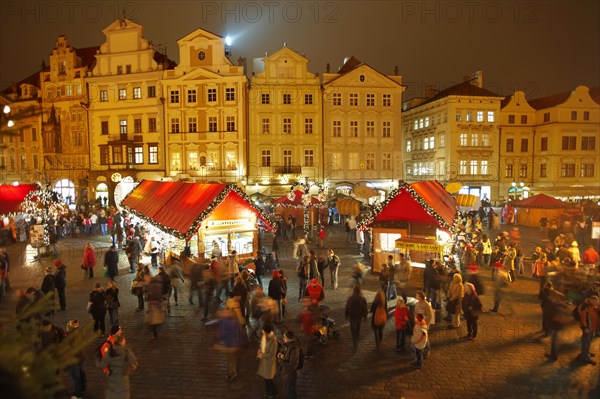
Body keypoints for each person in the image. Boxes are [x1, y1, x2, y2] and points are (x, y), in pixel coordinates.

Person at [214, 307, 241, 381]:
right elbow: (220, 326)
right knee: (229, 360)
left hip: (232, 345)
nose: (227, 313)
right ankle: (231, 373)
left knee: (231, 360)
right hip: (227, 344)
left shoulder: (234, 322)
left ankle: (233, 374)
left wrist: (236, 344)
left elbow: (237, 334)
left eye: (229, 312)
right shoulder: (226, 320)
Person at [65, 320, 86, 399]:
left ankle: (78, 394)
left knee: (75, 376)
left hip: (74, 359)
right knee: (81, 373)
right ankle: (83, 388)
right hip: (81, 357)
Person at [257, 323, 278, 399]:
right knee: (266, 379)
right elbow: (262, 346)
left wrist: (262, 355)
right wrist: (260, 350)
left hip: (269, 363)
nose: (262, 333)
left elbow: (271, 354)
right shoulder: (264, 337)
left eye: (263, 331)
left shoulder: (273, 341)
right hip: (264, 362)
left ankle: (273, 393)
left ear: (267, 332)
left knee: (269, 379)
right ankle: (269, 392)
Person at [278, 330, 301, 399]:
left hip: (289, 375)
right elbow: (287, 357)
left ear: (288, 339)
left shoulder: (293, 349)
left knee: (291, 392)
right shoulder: (289, 346)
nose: (283, 339)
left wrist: (283, 360)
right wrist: (282, 355)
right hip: (287, 374)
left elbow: (292, 365)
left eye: (284, 337)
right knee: (290, 390)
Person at [577, 295, 599, 365]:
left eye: (597, 302)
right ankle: (586, 357)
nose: (596, 303)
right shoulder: (585, 307)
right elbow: (583, 318)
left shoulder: (591, 306)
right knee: (587, 342)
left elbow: (596, 312)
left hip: (592, 328)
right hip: (588, 328)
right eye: (595, 302)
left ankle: (585, 353)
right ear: (591, 300)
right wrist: (585, 328)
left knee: (588, 341)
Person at [345, 285, 368, 350]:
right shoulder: (363, 299)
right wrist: (365, 316)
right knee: (358, 327)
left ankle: (355, 342)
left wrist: (346, 315)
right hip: (359, 316)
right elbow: (365, 308)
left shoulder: (350, 298)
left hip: (352, 316)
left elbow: (347, 307)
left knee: (353, 330)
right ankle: (357, 335)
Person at [447, 273, 464, 340]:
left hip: (457, 301)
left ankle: (456, 325)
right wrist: (448, 296)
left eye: (456, 277)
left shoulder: (460, 285)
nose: (455, 278)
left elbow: (458, 294)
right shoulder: (452, 282)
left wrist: (452, 298)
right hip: (452, 300)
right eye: (454, 277)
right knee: (453, 312)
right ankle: (454, 323)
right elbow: (450, 289)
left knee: (456, 313)